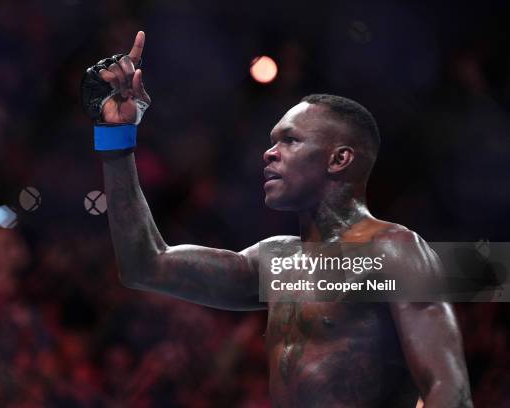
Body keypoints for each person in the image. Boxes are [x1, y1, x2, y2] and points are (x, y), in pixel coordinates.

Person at [89, 31, 473, 407]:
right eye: (272, 140)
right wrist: (117, 138)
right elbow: (145, 265)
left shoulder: (394, 250)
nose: (269, 153)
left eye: (289, 140)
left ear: (339, 158)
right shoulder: (276, 262)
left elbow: (448, 389)